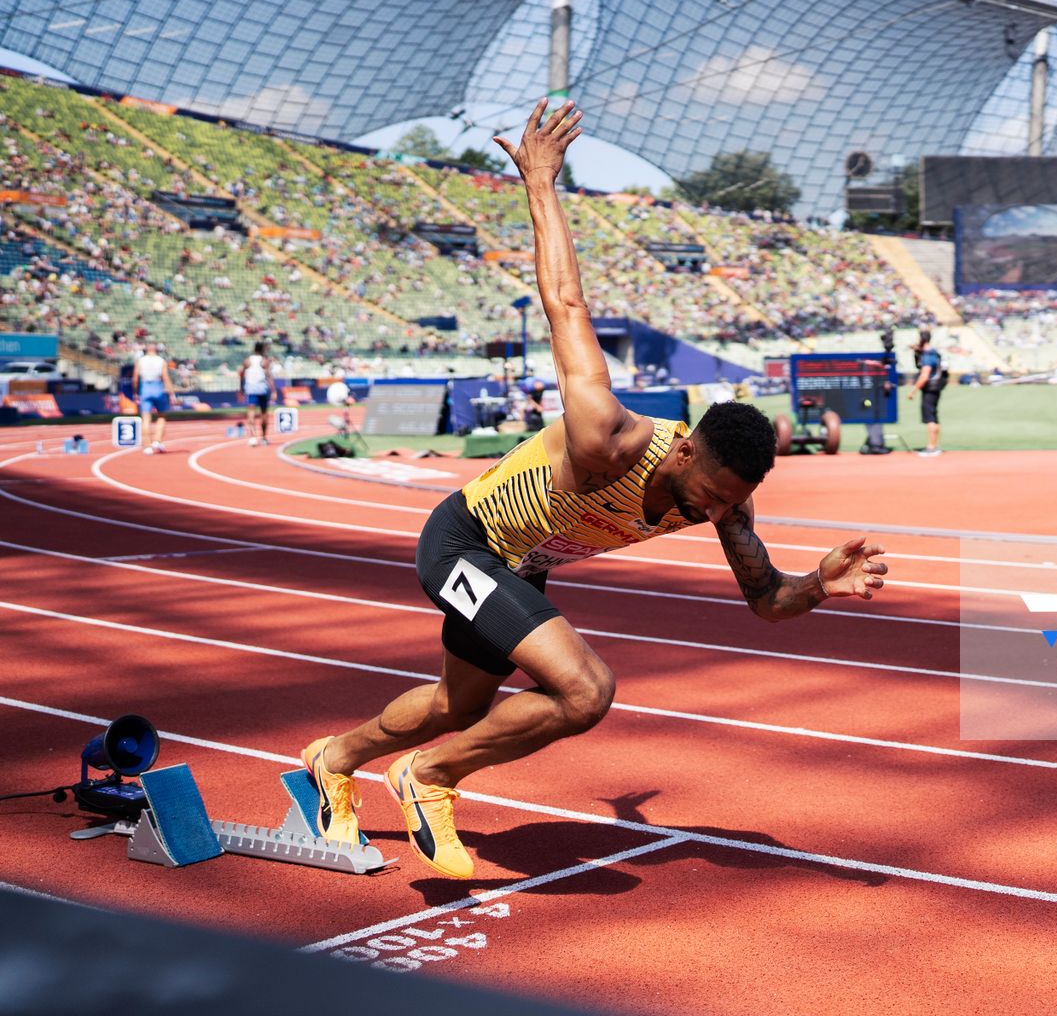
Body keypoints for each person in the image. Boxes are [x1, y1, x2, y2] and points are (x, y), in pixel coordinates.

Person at [298, 99, 891, 879]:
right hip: (465, 544)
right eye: (705, 495)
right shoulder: (605, 435)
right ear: (682, 453)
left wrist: (816, 583)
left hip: (522, 568)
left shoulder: (726, 498)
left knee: (460, 707)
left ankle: (334, 760)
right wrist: (542, 181)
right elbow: (565, 305)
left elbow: (765, 600)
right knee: (586, 691)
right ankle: (430, 777)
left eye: (724, 505)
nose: (708, 514)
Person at [909, 331, 948, 457]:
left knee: (930, 417)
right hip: (936, 387)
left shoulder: (927, 356)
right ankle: (934, 445)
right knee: (934, 417)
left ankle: (931, 447)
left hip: (930, 388)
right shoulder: (934, 353)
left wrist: (913, 391)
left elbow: (924, 375)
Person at [133, 343, 173, 455]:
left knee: (146, 418)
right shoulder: (161, 360)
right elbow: (165, 377)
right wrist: (171, 392)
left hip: (145, 388)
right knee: (161, 416)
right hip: (158, 388)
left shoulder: (140, 361)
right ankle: (157, 440)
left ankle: (147, 446)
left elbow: (135, 378)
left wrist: (135, 392)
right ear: (156, 349)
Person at [240, 343, 272, 445]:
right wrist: (274, 390)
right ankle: (264, 437)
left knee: (251, 413)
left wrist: (241, 387)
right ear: (263, 349)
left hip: (251, 388)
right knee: (264, 413)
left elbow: (242, 375)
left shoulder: (247, 360)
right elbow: (269, 376)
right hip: (262, 388)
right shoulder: (265, 361)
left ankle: (252, 438)